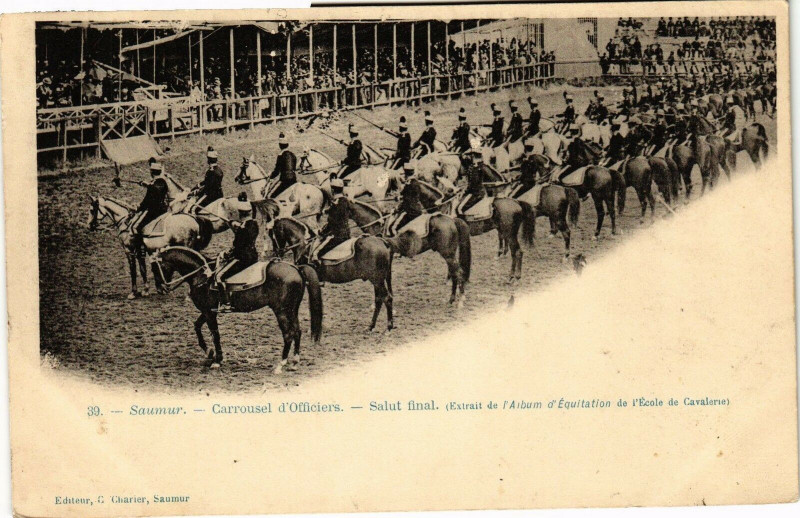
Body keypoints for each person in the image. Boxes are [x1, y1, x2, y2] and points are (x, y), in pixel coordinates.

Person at [214, 200, 259, 313]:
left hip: (242, 258)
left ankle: (226, 304)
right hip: (253, 256)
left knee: (219, 276)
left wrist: (226, 254)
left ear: (240, 213)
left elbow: (237, 247)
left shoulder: (242, 229)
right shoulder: (254, 224)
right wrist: (237, 226)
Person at [130, 160, 170, 254]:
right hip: (163, 209)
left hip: (154, 211)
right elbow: (154, 187)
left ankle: (141, 249)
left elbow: (147, 200)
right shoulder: (161, 182)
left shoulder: (155, 184)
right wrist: (147, 185)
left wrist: (139, 208)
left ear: (151, 172)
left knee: (137, 227)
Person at [313, 178, 351, 263]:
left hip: (337, 236)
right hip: (347, 234)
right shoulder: (345, 200)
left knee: (316, 253)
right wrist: (327, 210)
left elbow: (333, 222)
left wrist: (321, 232)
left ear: (332, 190)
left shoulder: (335, 203)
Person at [389, 161, 426, 235]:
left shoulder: (410, 184)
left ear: (406, 174)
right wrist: (400, 196)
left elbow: (408, 199)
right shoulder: (414, 182)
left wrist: (399, 203)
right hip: (415, 209)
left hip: (410, 210)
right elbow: (410, 195)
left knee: (393, 228)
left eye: (403, 174)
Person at [267, 132, 297, 197]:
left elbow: (277, 171)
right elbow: (294, 168)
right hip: (294, 180)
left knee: (273, 197)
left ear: (279, 145)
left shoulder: (280, 156)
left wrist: (270, 176)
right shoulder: (293, 155)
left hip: (285, 181)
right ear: (288, 144)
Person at [457, 152, 486, 216]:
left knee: (459, 209)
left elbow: (474, 185)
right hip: (473, 191)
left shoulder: (479, 168)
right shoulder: (473, 166)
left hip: (476, 193)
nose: (470, 157)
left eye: (472, 156)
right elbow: (465, 162)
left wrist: (465, 191)